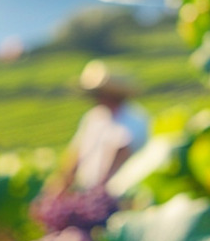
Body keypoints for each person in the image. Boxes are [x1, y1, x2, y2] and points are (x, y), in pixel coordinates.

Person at [57, 59, 150, 195]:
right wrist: (61, 187)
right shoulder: (93, 117)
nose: (94, 98)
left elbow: (122, 153)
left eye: (97, 93)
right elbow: (75, 154)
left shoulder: (134, 118)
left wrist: (99, 190)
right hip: (89, 192)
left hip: (119, 195)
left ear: (111, 93)